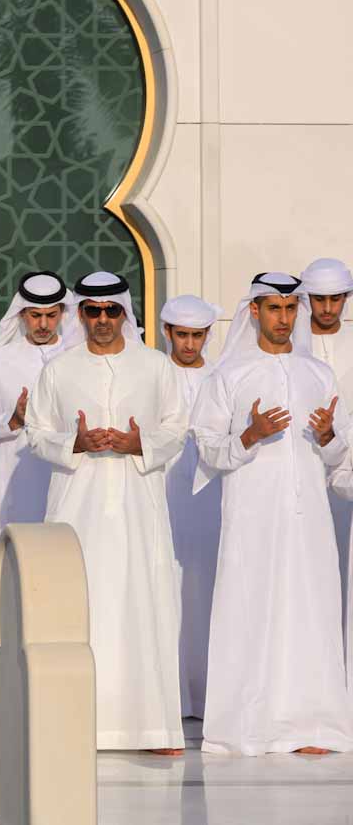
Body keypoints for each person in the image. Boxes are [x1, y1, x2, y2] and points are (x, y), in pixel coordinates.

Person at [191, 272, 353, 755]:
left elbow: (340, 455)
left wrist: (327, 438)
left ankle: (313, 722)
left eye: (290, 308)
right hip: (252, 516)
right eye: (273, 308)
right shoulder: (228, 376)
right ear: (255, 312)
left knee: (309, 609)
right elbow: (208, 450)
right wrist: (250, 435)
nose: (283, 318)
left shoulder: (320, 376)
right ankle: (245, 726)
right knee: (252, 609)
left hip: (309, 520)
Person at [23, 271, 185, 754]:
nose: (101, 320)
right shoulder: (59, 369)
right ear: (81, 315)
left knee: (143, 603)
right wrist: (73, 441)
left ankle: (153, 728)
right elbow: (36, 431)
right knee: (81, 606)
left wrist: (142, 442)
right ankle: (76, 726)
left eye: (111, 310)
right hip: (79, 509)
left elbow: (178, 426)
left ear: (124, 312)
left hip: (139, 506)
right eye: (92, 311)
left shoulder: (156, 366)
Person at [0, 272, 76, 629]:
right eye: (35, 315)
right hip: (12, 485)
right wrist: (11, 420)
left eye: (50, 315)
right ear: (21, 315)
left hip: (67, 481)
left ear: (63, 312)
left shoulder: (79, 356)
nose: (43, 324)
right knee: (11, 573)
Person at [157, 293, 221, 717]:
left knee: (207, 591)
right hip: (163, 498)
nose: (190, 345)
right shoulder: (153, 375)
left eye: (198, 336)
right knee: (167, 591)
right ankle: (170, 696)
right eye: (183, 335)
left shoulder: (222, 377)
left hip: (211, 500)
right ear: (167, 333)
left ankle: (210, 695)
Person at [302, 257, 353, 598]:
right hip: (304, 464)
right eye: (320, 299)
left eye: (335, 298)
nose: (328, 307)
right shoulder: (290, 344)